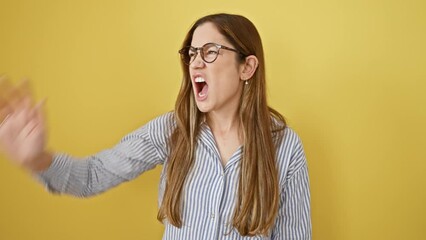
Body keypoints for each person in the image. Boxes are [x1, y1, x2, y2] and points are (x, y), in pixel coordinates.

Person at [0, 13, 311, 239]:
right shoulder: (170, 131)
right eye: (191, 54)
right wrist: (36, 159)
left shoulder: (286, 147)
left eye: (210, 52)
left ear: (248, 66)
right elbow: (94, 175)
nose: (196, 63)